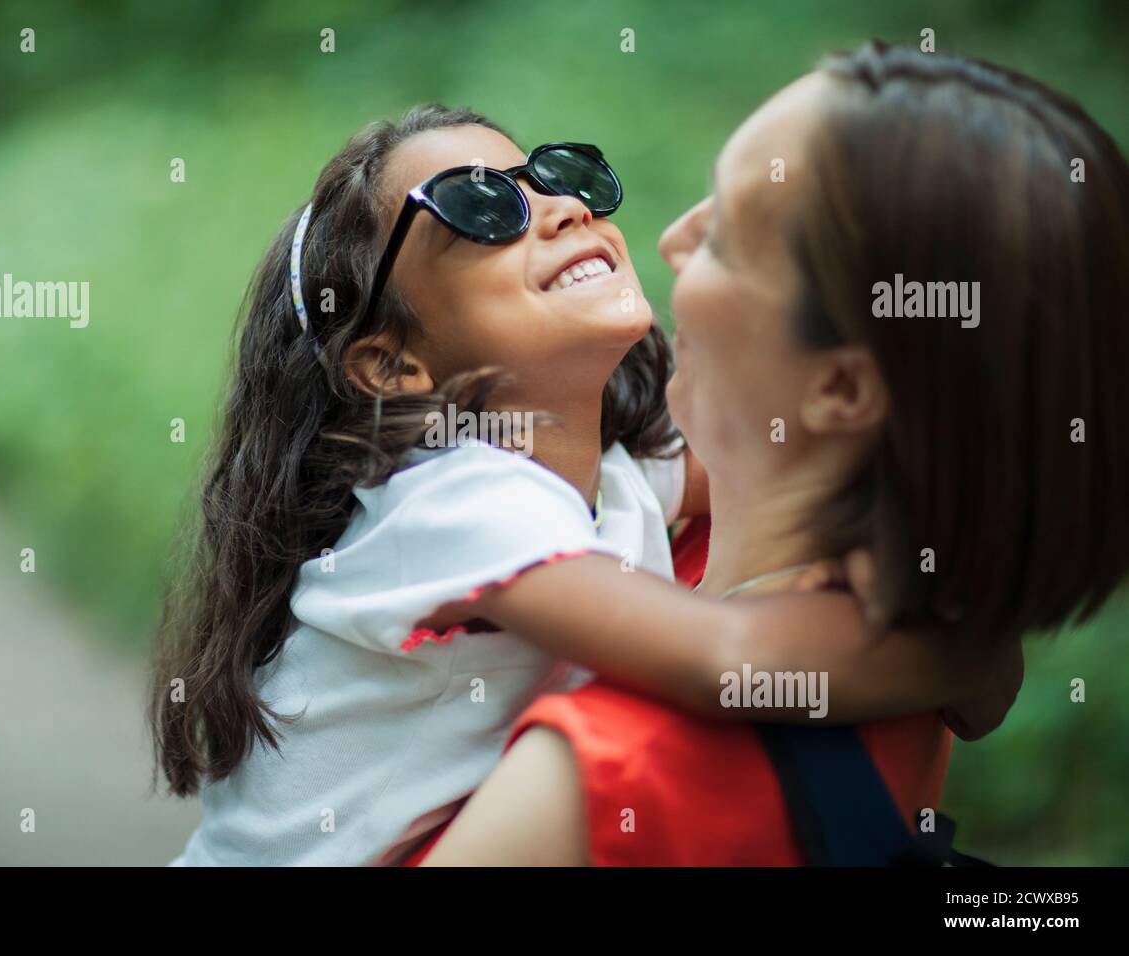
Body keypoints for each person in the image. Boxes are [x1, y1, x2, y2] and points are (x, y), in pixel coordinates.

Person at [152, 102, 1020, 866]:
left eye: (555, 177)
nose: (563, 208)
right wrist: (952, 659)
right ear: (392, 363)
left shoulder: (620, 475)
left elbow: (825, 460)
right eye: (482, 208)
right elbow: (724, 664)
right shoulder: (446, 504)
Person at [418, 42, 1129, 866]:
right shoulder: (915, 607)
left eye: (725, 234)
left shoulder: (598, 780)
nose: (676, 237)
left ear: (841, 392)